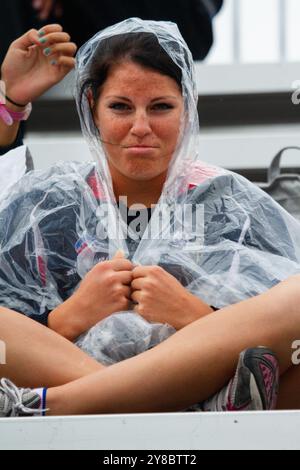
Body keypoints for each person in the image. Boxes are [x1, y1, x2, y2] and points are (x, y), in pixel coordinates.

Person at [1, 18, 300, 417]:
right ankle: (177, 414)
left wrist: (196, 316)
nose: (140, 128)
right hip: (208, 403)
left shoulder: (232, 202)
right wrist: (63, 320)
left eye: (160, 107)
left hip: (64, 400)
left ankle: (52, 406)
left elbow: (279, 326)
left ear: (187, 109)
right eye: (120, 107)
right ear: (92, 107)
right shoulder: (46, 201)